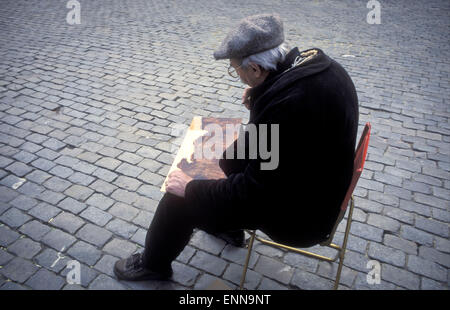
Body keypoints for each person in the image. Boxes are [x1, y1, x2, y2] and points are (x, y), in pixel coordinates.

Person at [113, 13, 359, 281]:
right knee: (224, 160)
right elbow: (280, 133)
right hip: (313, 185)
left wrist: (191, 188)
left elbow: (255, 195)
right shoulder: (317, 67)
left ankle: (153, 265)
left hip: (300, 218)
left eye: (236, 70)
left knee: (179, 194)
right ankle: (227, 226)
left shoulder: (285, 106)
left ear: (255, 69)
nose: (237, 75)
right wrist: (260, 94)